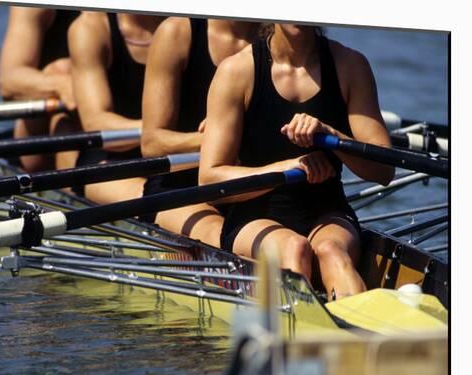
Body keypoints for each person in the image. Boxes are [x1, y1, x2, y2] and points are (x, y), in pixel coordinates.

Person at [199, 24, 395, 300]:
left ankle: (364, 336)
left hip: (327, 211)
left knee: (332, 253)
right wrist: (284, 168)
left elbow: (383, 170)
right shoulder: (237, 71)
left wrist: (332, 137)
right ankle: (303, 333)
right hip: (254, 215)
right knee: (295, 249)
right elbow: (209, 177)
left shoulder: (350, 66)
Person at [140, 18, 258, 247]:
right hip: (179, 187)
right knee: (222, 234)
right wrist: (221, 136)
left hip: (248, 186)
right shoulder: (176, 33)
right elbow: (152, 143)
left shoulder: (280, 40)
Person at [68, 12, 164, 200]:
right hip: (109, 159)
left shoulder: (192, 26)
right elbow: (96, 122)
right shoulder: (90, 28)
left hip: (178, 153)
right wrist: (166, 134)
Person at [0, 6, 79, 172]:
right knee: (63, 69)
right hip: (49, 131)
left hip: (123, 121)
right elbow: (9, 81)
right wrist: (72, 87)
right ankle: (76, 185)